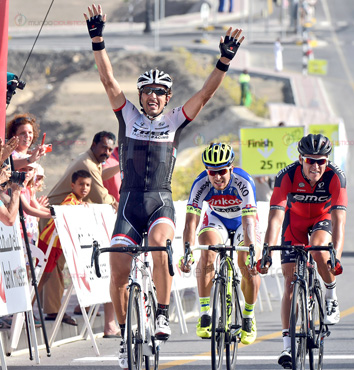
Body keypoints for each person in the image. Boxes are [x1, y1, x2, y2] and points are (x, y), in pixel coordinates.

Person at [84, 4, 244, 368]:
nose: (152, 96)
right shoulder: (127, 116)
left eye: (159, 92)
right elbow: (109, 81)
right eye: (147, 92)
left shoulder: (174, 121)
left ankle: (161, 313)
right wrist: (98, 40)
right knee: (119, 270)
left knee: (158, 246)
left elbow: (204, 95)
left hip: (159, 203)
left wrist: (223, 61)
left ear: (168, 97)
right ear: (140, 96)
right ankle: (126, 337)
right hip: (128, 204)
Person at [258, 134, 346, 368]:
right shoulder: (286, 175)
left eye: (321, 161)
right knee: (289, 281)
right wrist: (267, 251)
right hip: (294, 221)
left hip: (322, 219)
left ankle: (330, 294)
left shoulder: (335, 177)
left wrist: (335, 255)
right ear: (300, 159)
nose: (316, 166)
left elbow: (339, 220)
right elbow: (276, 218)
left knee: (319, 252)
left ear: (327, 161)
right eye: (310, 160)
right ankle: (287, 346)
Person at [180, 143, 261, 345]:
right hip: (217, 221)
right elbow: (191, 222)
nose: (217, 177)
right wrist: (188, 252)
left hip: (243, 222)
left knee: (248, 265)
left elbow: (249, 222)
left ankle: (249, 317)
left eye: (222, 172)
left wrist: (251, 251)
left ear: (230, 169)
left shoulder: (243, 181)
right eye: (212, 172)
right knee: (207, 252)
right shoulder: (200, 183)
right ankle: (206, 313)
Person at [41, 131, 119, 333]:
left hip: (64, 216)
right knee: (52, 264)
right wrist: (117, 204)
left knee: (57, 263)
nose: (107, 152)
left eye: (111, 149)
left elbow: (99, 176)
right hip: (54, 217)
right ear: (94, 144)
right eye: (104, 148)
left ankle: (55, 308)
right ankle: (51, 310)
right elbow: (102, 197)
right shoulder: (88, 164)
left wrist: (120, 167)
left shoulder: (92, 162)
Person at [35, 170, 92, 324]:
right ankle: (26, 310)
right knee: (40, 277)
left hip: (57, 245)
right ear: (72, 185)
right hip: (48, 243)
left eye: (87, 185)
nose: (84, 188)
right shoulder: (70, 200)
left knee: (45, 277)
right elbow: (68, 210)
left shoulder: (78, 202)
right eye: (81, 184)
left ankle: (30, 309)